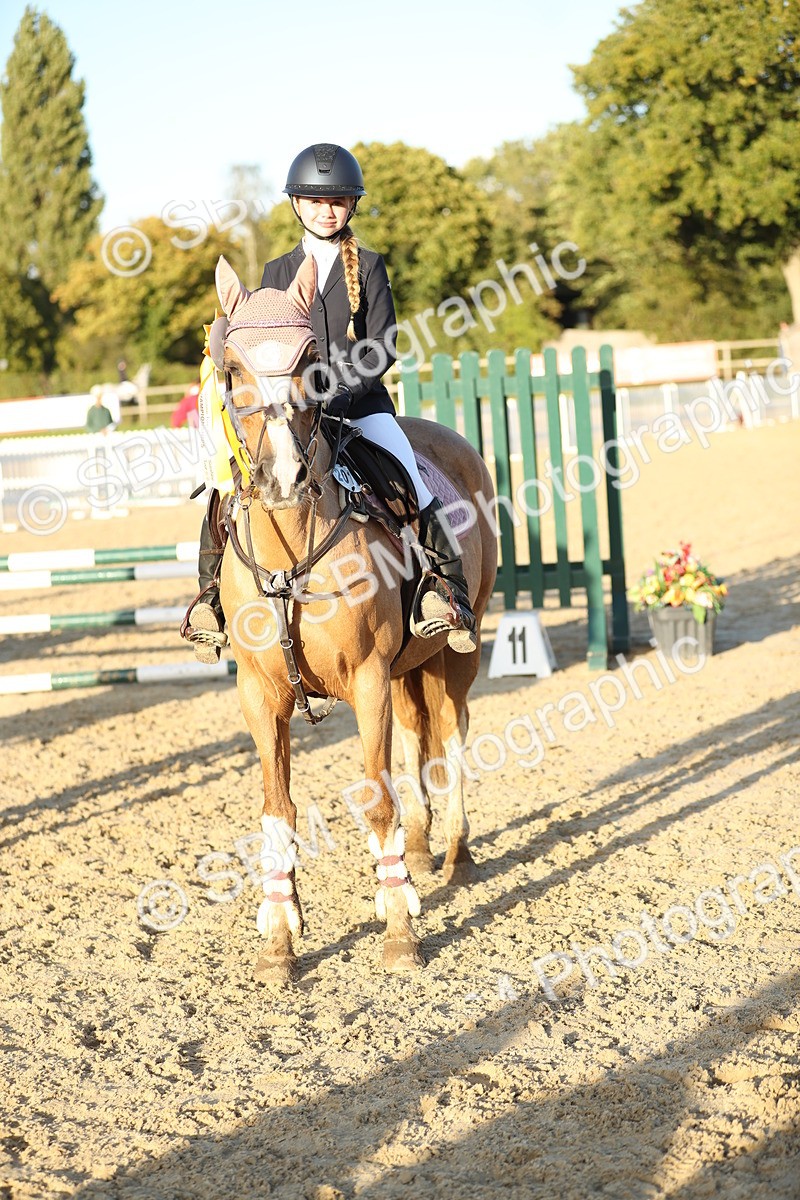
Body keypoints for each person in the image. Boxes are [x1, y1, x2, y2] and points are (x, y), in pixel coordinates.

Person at [185, 143, 477, 661]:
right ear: (297, 204)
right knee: (224, 479)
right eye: (316, 201)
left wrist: (336, 391)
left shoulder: (368, 266)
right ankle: (211, 598)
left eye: (338, 201)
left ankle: (443, 588)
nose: (328, 210)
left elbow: (382, 344)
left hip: (360, 408)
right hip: (289, 416)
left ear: (352, 206)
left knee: (408, 472)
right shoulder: (276, 272)